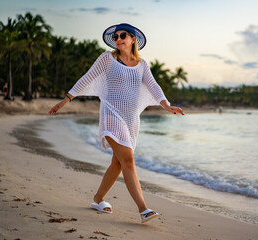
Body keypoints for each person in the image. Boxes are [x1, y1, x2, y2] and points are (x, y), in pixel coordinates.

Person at [48, 23, 184, 224]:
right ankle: (143, 209)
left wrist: (167, 106)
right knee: (128, 160)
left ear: (133, 39)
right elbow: (87, 78)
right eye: (115, 36)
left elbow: (154, 87)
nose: (118, 39)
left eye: (123, 35)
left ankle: (98, 199)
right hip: (111, 114)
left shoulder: (142, 64)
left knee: (118, 163)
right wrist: (65, 100)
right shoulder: (107, 58)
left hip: (131, 119)